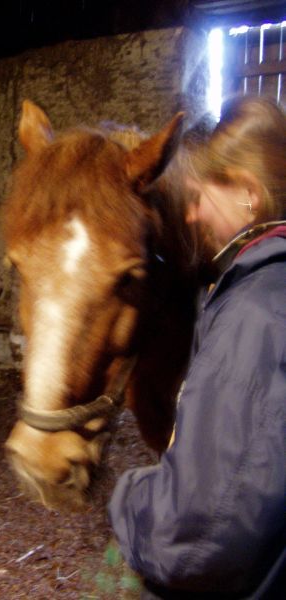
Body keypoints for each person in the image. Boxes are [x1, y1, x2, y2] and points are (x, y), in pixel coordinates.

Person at [109, 95, 286, 599]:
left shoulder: (256, 313)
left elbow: (197, 535)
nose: (190, 216)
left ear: (248, 193)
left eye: (199, 196)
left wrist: (127, 497)